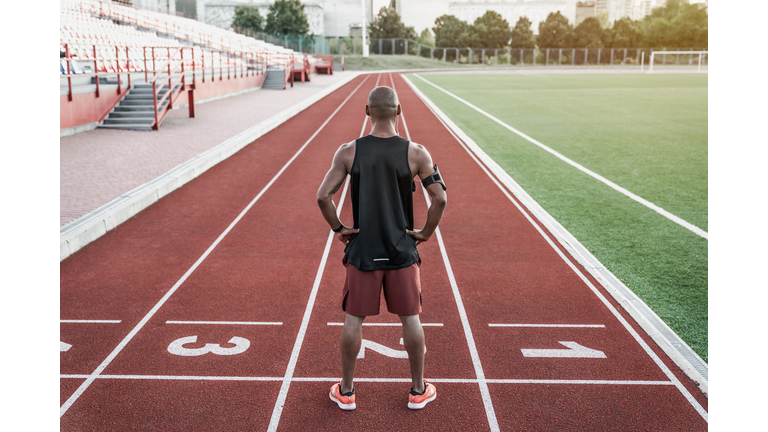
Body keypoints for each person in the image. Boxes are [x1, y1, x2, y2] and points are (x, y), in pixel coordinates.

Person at [316, 86, 448, 411]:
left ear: (367, 111)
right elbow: (441, 198)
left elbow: (323, 197)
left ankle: (346, 392)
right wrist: (425, 233)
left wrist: (340, 229)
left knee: (353, 320)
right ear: (399, 111)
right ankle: (419, 390)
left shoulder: (348, 151)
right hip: (402, 249)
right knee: (411, 319)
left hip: (363, 251)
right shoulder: (417, 152)